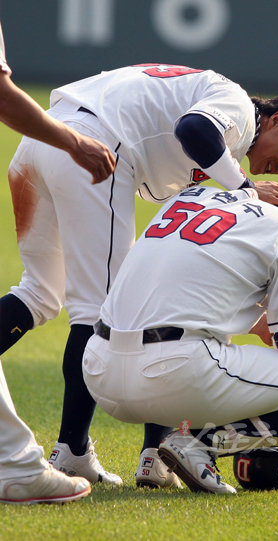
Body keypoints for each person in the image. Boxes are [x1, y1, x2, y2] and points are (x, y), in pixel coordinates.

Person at [0, 62, 278, 488]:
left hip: (43, 139)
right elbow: (193, 129)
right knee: (104, 310)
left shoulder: (219, 146)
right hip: (96, 147)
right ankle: (73, 452)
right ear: (276, 119)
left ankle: (150, 457)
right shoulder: (239, 109)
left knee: (39, 293)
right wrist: (245, 189)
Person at [82, 185, 278, 494]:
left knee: (210, 350)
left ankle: (155, 458)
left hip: (98, 372)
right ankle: (198, 445)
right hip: (174, 372)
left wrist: (256, 322)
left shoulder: (189, 200)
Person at [0, 19, 115, 504]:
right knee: (96, 304)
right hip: (74, 143)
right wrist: (71, 142)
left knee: (41, 293)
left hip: (35, 150)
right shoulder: (221, 104)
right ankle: (50, 455)